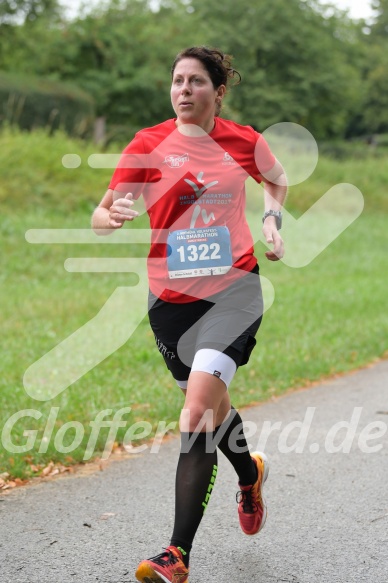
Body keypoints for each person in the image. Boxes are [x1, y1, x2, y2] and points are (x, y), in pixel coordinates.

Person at [92, 46, 287, 583]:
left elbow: (277, 178)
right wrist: (114, 214)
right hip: (170, 304)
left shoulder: (243, 140)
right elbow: (101, 213)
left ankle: (176, 554)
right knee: (214, 410)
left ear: (218, 92)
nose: (183, 90)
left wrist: (271, 219)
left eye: (196, 81)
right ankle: (250, 474)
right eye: (177, 80)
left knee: (197, 413)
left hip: (235, 293)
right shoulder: (148, 144)